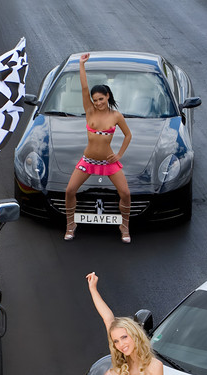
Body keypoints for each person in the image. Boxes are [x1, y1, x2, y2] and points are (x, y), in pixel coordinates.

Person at [64, 53, 133, 243]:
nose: (98, 103)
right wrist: (81, 64)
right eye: (95, 100)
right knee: (70, 190)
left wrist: (119, 155)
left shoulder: (116, 116)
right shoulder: (89, 111)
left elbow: (128, 135)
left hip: (108, 161)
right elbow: (84, 88)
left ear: (107, 96)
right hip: (88, 161)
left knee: (125, 193)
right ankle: (71, 225)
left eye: (101, 99)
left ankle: (124, 226)